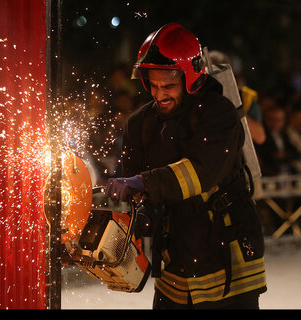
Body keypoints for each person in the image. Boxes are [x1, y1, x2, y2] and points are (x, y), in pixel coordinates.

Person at [105, 23, 267, 309]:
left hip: (228, 255)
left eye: (169, 86)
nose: (159, 95)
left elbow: (200, 172)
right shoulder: (140, 124)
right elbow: (134, 185)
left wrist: (144, 183)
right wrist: (138, 210)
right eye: (153, 85)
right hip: (176, 258)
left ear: (190, 78)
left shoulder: (220, 114)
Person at [256, 106, 298, 176]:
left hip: (288, 173)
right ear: (265, 119)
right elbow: (265, 156)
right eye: (272, 119)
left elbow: (296, 153)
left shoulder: (286, 134)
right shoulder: (261, 135)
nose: (275, 123)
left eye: (279, 119)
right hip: (270, 174)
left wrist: (283, 154)